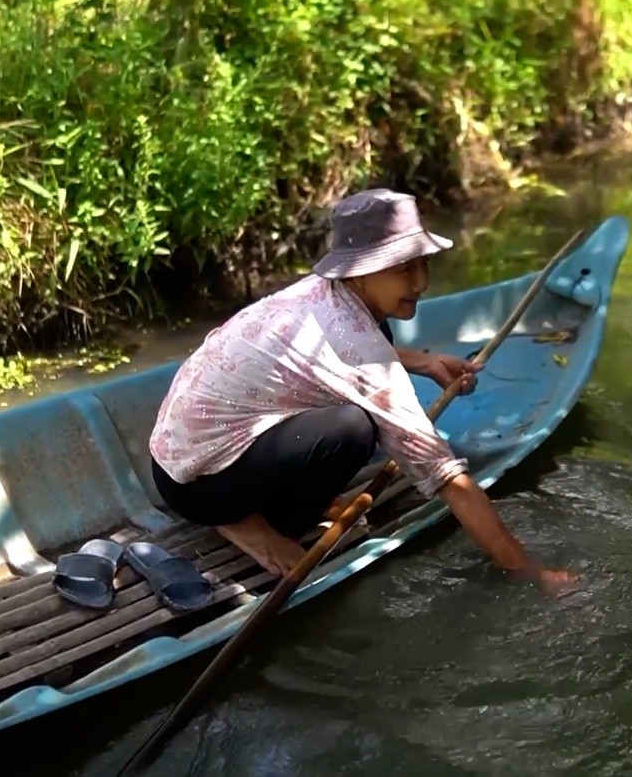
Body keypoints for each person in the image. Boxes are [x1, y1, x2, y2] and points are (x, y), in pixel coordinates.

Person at [148, 188, 575, 594]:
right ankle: (253, 523)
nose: (421, 282)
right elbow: (449, 481)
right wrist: (530, 572)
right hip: (200, 488)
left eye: (422, 264)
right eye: (404, 268)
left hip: (174, 458)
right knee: (354, 430)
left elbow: (347, 350)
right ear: (360, 270)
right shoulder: (351, 342)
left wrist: (422, 361)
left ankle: (250, 503)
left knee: (374, 348)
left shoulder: (323, 294)